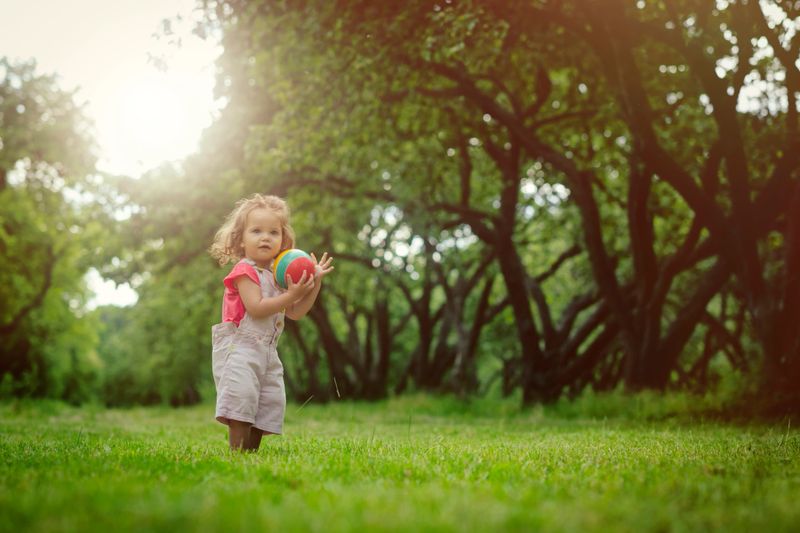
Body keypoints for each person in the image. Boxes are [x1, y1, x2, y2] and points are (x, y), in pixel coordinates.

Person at [208, 193, 333, 451]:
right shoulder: (244, 271)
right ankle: (237, 454)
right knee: (242, 402)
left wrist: (314, 281)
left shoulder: (278, 277)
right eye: (256, 231)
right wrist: (291, 294)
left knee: (266, 403)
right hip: (239, 350)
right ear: (240, 239)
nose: (265, 237)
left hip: (266, 351)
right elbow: (256, 308)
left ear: (283, 240)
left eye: (273, 232)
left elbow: (296, 312)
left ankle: (251, 455)